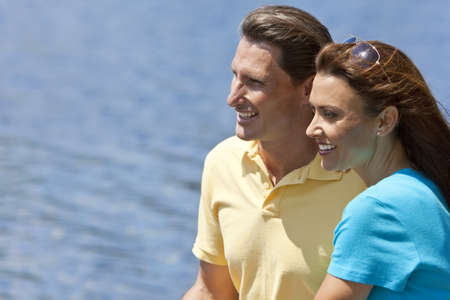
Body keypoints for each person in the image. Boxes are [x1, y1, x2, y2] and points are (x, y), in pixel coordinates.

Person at [182, 6, 366, 300]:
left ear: (308, 89)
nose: (232, 98)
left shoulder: (362, 180)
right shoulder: (223, 163)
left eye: (254, 82)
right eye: (235, 76)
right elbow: (212, 292)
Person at [306, 38, 450, 299]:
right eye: (313, 111)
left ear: (384, 121)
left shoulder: (378, 210)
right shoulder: (426, 189)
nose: (311, 129)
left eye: (330, 114)